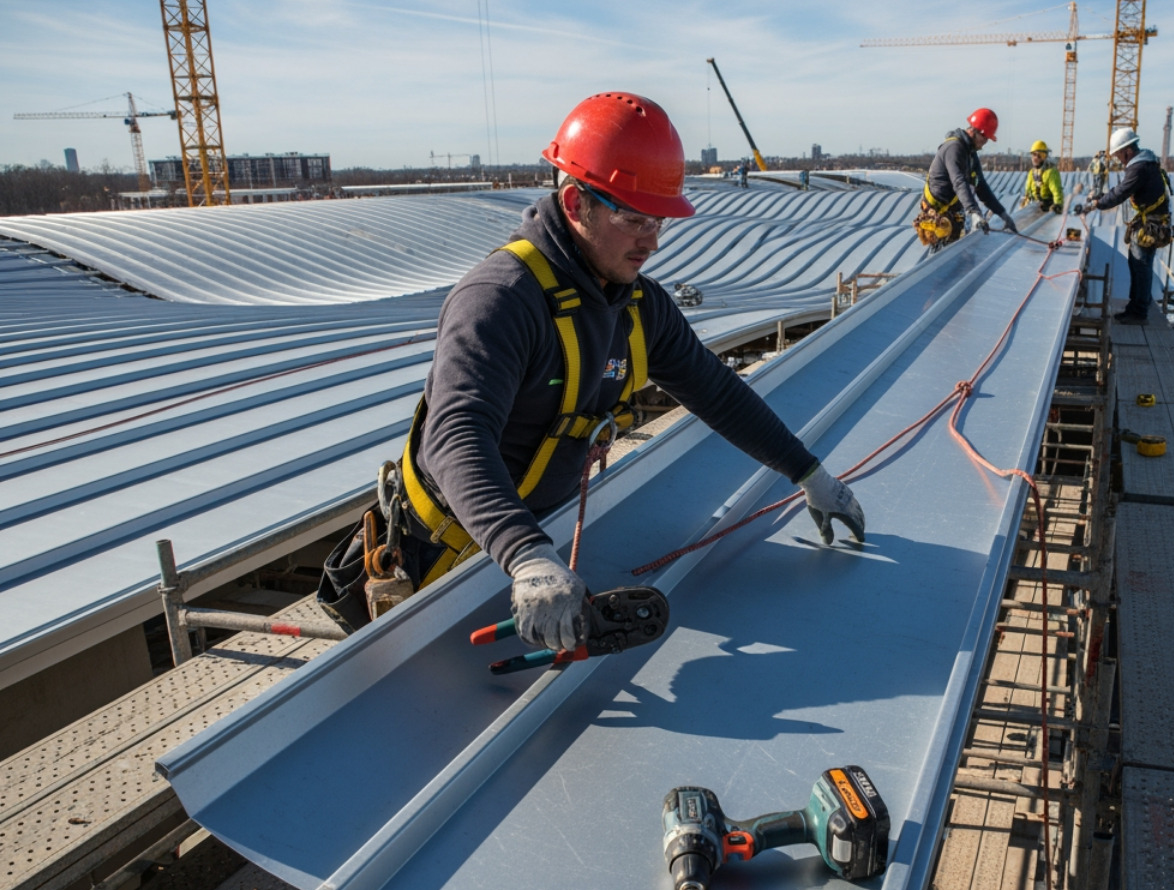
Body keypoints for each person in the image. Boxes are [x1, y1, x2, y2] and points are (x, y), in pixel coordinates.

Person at [318, 92, 864, 648]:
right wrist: (525, 554)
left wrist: (807, 472)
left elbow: (717, 392)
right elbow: (457, 436)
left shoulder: (635, 303)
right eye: (634, 219)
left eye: (660, 222)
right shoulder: (501, 300)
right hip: (454, 551)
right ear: (577, 203)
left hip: (540, 546)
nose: (651, 241)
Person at [1085, 127, 1171, 325]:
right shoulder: (1145, 163)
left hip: (1149, 224)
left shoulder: (1139, 168)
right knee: (1138, 265)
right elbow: (1121, 188)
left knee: (1141, 266)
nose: (1118, 160)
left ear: (1127, 151)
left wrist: (1099, 204)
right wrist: (1102, 197)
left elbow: (1122, 191)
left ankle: (1139, 312)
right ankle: (1136, 307)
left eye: (1118, 155)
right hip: (1148, 221)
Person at [917, 108, 1017, 252]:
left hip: (952, 210)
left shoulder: (970, 153)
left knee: (955, 254)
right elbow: (959, 182)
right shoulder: (954, 148)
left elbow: (980, 186)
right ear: (975, 132)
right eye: (985, 138)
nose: (985, 142)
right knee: (940, 257)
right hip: (937, 213)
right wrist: (974, 213)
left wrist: (1001, 213)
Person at [1024, 139, 1064, 214]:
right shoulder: (1031, 173)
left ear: (1044, 157)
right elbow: (1027, 194)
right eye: (1034, 155)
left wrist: (1058, 205)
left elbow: (1057, 191)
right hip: (1035, 207)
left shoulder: (1051, 172)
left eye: (1039, 155)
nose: (1035, 158)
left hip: (1048, 208)